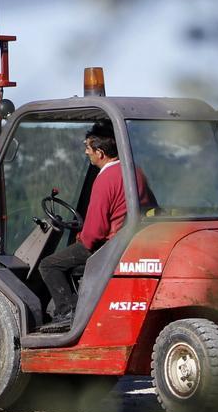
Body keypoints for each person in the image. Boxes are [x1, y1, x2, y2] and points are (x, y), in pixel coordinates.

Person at [37, 121, 157, 326]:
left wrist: (82, 237)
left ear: (100, 153)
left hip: (107, 247)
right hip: (127, 240)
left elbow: (95, 233)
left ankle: (67, 312)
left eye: (88, 148)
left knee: (48, 265)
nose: (86, 152)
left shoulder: (105, 180)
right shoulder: (135, 172)